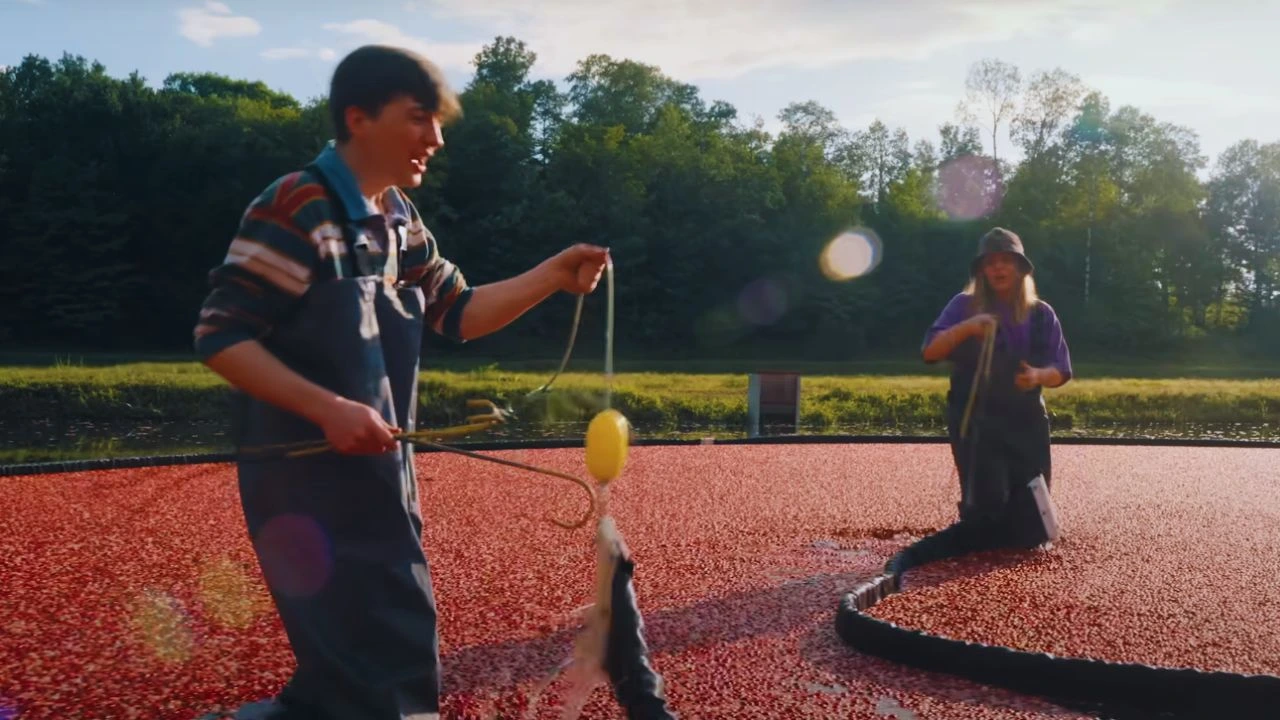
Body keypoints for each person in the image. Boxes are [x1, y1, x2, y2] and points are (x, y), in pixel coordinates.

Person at [192, 45, 609, 719]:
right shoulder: (298, 205)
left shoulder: (398, 221)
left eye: (437, 122)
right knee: (367, 627)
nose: (436, 139)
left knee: (382, 619)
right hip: (301, 468)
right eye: (420, 118)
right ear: (359, 118)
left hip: (378, 460)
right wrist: (328, 409)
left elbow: (459, 313)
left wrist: (552, 276)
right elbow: (220, 335)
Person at [916, 227, 1073, 556]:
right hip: (976, 419)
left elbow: (1061, 370)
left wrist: (1037, 376)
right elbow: (930, 351)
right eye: (991, 263)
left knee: (1033, 528)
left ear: (1020, 268)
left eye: (1006, 261)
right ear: (982, 271)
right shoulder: (963, 306)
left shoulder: (1042, 314)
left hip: (1026, 420)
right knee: (985, 518)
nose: (998, 269)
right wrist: (968, 327)